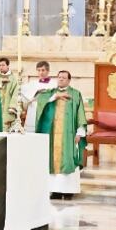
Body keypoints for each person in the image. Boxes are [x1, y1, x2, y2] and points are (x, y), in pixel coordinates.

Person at [34, 71, 87, 200]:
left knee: (68, 160)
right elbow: (40, 100)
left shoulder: (75, 94)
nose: (61, 80)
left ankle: (69, 191)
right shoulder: (51, 93)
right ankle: (56, 191)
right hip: (52, 133)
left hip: (68, 134)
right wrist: (55, 97)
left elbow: (80, 113)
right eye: (59, 77)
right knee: (52, 160)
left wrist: (80, 133)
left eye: (64, 78)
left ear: (69, 80)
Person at [19, 61, 57, 132]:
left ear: (48, 71)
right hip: (33, 111)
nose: (41, 73)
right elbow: (23, 95)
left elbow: (55, 97)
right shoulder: (32, 84)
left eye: (43, 70)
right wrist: (36, 94)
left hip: (46, 111)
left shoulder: (54, 84)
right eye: (39, 70)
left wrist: (42, 96)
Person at [0, 57, 20, 129]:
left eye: (3, 65)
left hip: (7, 107)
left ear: (8, 66)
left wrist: (12, 107)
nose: (1, 67)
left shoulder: (13, 78)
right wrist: (0, 82)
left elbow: (16, 93)